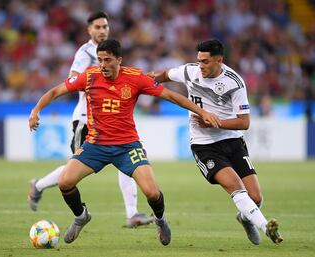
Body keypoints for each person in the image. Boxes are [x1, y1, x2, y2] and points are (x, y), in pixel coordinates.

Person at [28, 39, 221, 245]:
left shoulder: (135, 77)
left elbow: (170, 96)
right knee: (65, 182)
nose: (103, 65)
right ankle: (81, 216)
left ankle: (160, 219)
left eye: (108, 60)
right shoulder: (89, 76)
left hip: (127, 146)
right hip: (96, 145)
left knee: (153, 193)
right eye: (100, 60)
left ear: (119, 60)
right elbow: (56, 91)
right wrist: (36, 110)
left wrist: (202, 111)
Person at [150, 39, 283, 245]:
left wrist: (215, 123)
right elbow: (166, 74)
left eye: (205, 62)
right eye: (199, 60)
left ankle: (245, 218)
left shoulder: (234, 82)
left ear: (219, 60)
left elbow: (244, 122)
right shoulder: (190, 71)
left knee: (255, 198)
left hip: (233, 141)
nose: (200, 66)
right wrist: (146, 79)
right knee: (236, 187)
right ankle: (267, 227)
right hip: (204, 145)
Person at [27, 11, 153, 228]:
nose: (102, 30)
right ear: (89, 30)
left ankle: (132, 214)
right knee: (72, 169)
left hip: (110, 116)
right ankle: (39, 186)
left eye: (105, 26)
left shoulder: (109, 51)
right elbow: (72, 78)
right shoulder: (85, 53)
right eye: (98, 27)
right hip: (86, 119)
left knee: (128, 163)